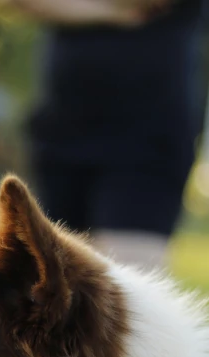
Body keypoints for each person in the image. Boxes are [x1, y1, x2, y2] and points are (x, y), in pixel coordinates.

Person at [12, 0, 206, 270]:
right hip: (63, 130)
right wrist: (111, 12)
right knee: (52, 281)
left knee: (129, 284)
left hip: (147, 134)